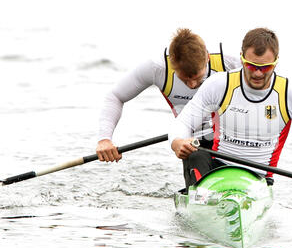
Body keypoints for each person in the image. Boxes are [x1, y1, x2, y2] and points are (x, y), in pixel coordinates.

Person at [169, 27, 292, 199]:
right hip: (216, 169)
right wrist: (177, 141)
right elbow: (185, 122)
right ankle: (199, 202)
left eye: (265, 67)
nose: (258, 73)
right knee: (195, 154)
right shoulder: (219, 84)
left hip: (258, 179)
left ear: (276, 62)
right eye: (252, 66)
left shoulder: (289, 95)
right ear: (241, 57)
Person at [96, 28, 241, 183]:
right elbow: (115, 96)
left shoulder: (231, 65)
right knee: (197, 157)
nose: (192, 85)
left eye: (198, 77)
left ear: (207, 57)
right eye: (185, 79)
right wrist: (105, 139)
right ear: (172, 63)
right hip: (192, 144)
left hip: (231, 140)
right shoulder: (157, 68)